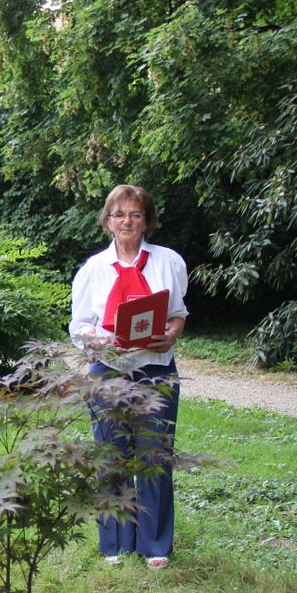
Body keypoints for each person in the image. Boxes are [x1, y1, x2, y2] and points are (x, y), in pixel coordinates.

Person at [69, 184, 188, 570]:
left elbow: (177, 312)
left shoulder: (168, 261)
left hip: (156, 370)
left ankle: (155, 544)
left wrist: (170, 334)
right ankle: (115, 544)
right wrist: (102, 343)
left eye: (135, 214)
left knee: (155, 456)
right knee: (111, 455)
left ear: (147, 221)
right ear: (107, 220)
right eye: (119, 214)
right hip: (108, 372)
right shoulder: (92, 269)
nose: (127, 221)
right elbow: (79, 326)